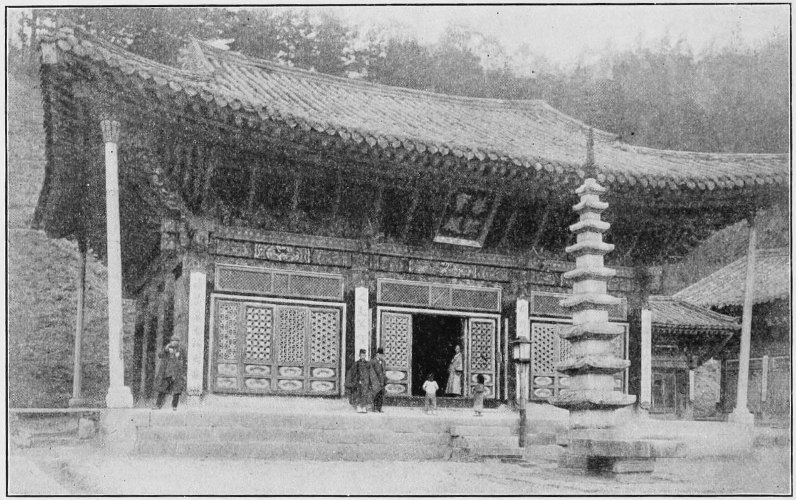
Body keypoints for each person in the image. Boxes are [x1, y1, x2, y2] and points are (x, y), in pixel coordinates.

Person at [153, 337, 186, 411]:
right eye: (172, 341)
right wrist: (165, 349)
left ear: (178, 342)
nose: (174, 342)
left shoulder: (181, 349)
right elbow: (160, 355)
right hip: (167, 372)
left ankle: (174, 406)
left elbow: (185, 360)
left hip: (177, 373)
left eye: (176, 341)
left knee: (177, 390)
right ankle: (158, 405)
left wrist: (183, 372)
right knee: (162, 389)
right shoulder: (167, 348)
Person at [370, 347, 387, 413]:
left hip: (382, 380)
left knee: (381, 395)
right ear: (377, 354)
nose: (382, 356)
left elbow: (384, 371)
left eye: (382, 355)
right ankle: (374, 408)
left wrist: (384, 379)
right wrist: (374, 380)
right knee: (375, 394)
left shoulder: (383, 361)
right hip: (375, 380)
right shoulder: (372, 361)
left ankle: (379, 408)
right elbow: (371, 372)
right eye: (381, 354)